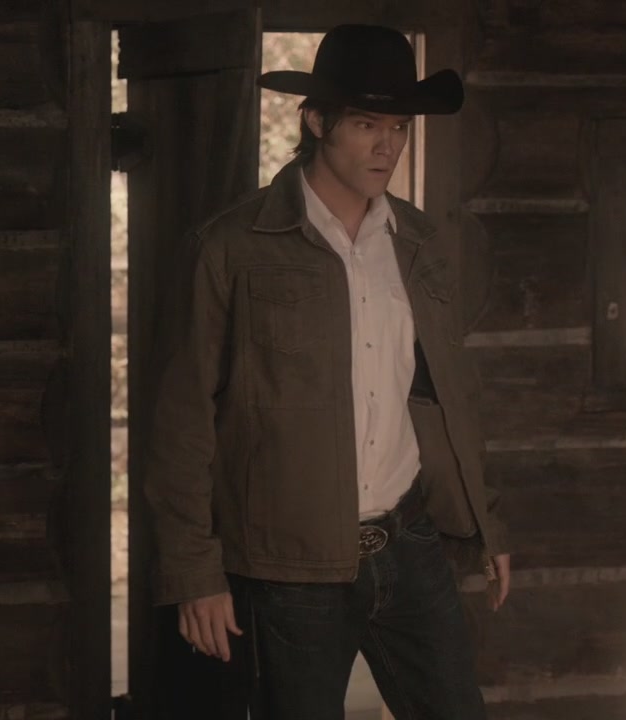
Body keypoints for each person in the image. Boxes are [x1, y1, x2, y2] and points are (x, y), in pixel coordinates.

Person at [143, 24, 511, 720]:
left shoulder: (420, 242)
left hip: (409, 542)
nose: (387, 146)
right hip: (289, 566)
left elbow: (450, 395)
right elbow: (182, 424)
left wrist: (486, 524)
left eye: (398, 128)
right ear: (316, 122)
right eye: (367, 124)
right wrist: (194, 573)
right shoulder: (231, 249)